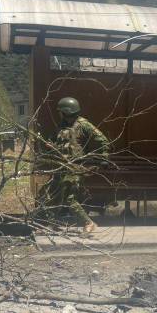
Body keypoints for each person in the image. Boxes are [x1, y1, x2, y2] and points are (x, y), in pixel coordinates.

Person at [36, 96, 110, 234]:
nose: (59, 114)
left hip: (74, 168)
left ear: (66, 111)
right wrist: (50, 145)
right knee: (51, 195)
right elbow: (55, 142)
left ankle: (89, 223)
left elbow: (103, 141)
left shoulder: (83, 125)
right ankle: (49, 224)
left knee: (70, 198)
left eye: (61, 111)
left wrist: (104, 158)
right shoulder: (62, 126)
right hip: (61, 166)